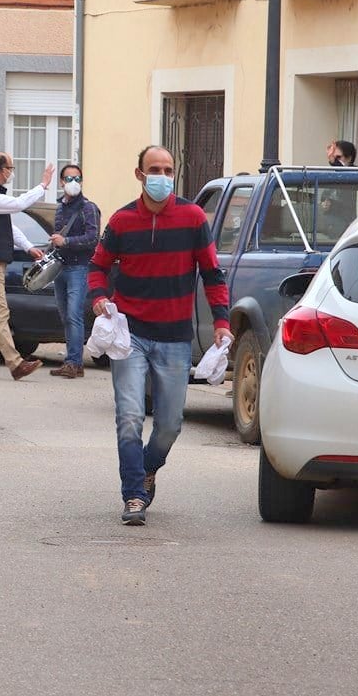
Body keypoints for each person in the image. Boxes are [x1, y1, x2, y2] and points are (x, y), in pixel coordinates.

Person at [88, 145, 232, 526]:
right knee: (130, 416)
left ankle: (148, 467)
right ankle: (134, 494)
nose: (162, 177)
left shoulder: (193, 217)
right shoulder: (122, 221)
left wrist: (221, 321)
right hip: (130, 335)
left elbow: (213, 273)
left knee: (170, 424)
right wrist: (99, 297)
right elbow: (97, 267)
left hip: (174, 337)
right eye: (155, 170)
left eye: (168, 170)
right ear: (140, 174)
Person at [0, 151, 54, 380]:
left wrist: (28, 247)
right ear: (2, 170)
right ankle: (15, 363)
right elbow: (18, 204)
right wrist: (42, 186)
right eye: (11, 168)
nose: (12, 172)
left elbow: (8, 227)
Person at [48, 164, 100, 379]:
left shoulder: (88, 208)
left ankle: (74, 362)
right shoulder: (60, 208)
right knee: (65, 316)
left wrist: (66, 241)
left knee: (74, 314)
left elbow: (93, 238)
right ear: (61, 182)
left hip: (79, 267)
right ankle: (72, 361)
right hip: (60, 267)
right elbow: (58, 237)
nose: (73, 183)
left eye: (77, 179)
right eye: (69, 179)